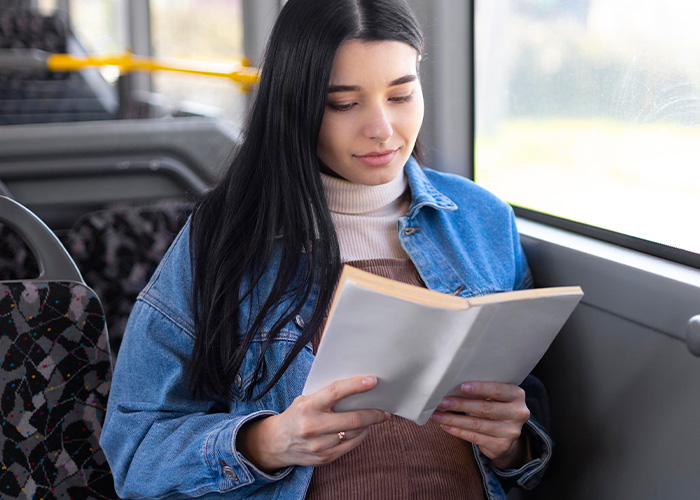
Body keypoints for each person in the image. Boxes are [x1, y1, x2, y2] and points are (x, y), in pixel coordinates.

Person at [100, 0, 553, 498]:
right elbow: (134, 453)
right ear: (296, 103)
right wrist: (268, 442)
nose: (382, 129)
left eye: (401, 95)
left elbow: (523, 425)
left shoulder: (484, 220)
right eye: (344, 104)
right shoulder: (224, 237)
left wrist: (512, 446)